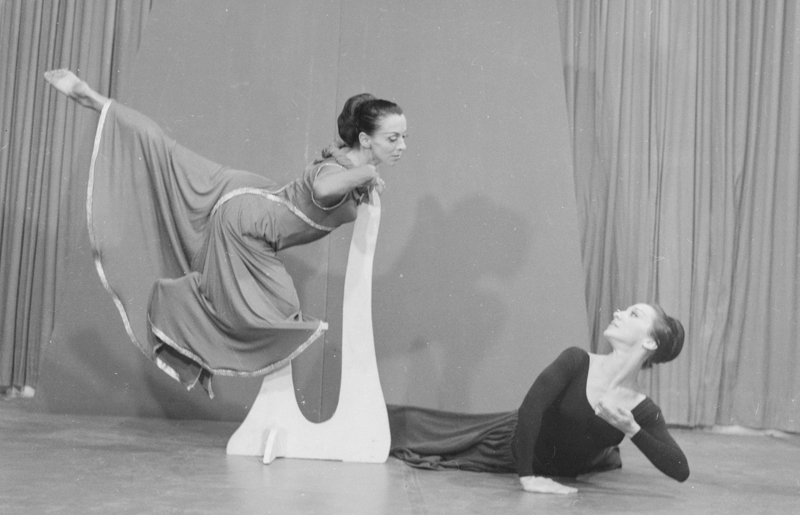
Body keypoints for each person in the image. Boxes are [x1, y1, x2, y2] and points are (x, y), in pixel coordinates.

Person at [44, 69, 407, 397]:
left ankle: (94, 99)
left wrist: (365, 177)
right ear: (365, 138)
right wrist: (366, 175)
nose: (401, 146)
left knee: (171, 155)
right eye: (393, 138)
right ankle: (173, 302)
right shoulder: (336, 170)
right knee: (279, 312)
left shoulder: (348, 162)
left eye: (403, 137)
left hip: (253, 204)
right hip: (246, 223)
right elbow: (324, 189)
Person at [388, 303, 690, 494]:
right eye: (624, 310)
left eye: (633, 314)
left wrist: (632, 430)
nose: (618, 313)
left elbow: (680, 469)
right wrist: (528, 477)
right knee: (413, 431)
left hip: (559, 468)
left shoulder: (641, 409)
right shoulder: (577, 360)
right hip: (508, 444)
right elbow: (531, 408)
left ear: (650, 341)